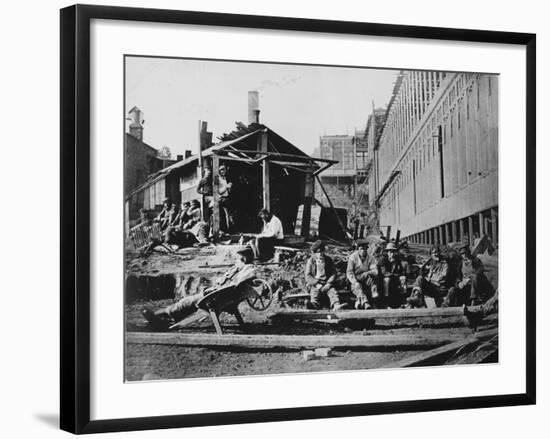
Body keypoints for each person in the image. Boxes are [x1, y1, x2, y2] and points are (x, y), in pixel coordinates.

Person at [142, 247, 256, 325]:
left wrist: (213, 290)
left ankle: (157, 316)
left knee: (186, 302)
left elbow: (235, 284)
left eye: (238, 259)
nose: (236, 261)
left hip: (216, 298)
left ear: (244, 259)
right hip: (218, 295)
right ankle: (163, 317)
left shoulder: (248, 269)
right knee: (188, 304)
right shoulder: (241, 268)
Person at [305, 240, 346, 310]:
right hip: (316, 282)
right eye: (318, 252)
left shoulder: (328, 260)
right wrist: (316, 283)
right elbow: (308, 275)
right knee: (315, 292)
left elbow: (333, 273)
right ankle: (314, 304)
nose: (320, 254)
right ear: (315, 253)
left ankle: (336, 305)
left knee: (332, 292)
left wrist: (329, 283)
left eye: (321, 252)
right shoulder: (311, 261)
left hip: (326, 282)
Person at [346, 239, 379, 309]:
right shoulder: (353, 257)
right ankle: (365, 302)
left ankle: (374, 300)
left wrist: (367, 273)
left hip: (366, 278)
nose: (363, 251)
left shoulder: (370, 258)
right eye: (361, 249)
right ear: (358, 249)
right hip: (355, 278)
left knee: (372, 279)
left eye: (365, 249)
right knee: (357, 286)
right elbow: (349, 272)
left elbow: (375, 271)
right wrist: (355, 282)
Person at [377, 242, 409, 308]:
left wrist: (395, 264)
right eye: (390, 252)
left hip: (394, 277)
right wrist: (394, 274)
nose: (392, 254)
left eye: (394, 252)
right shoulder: (383, 259)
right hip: (384, 278)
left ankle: (403, 300)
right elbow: (384, 272)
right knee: (387, 280)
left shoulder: (397, 259)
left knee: (403, 278)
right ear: (387, 252)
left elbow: (401, 271)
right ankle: (386, 302)